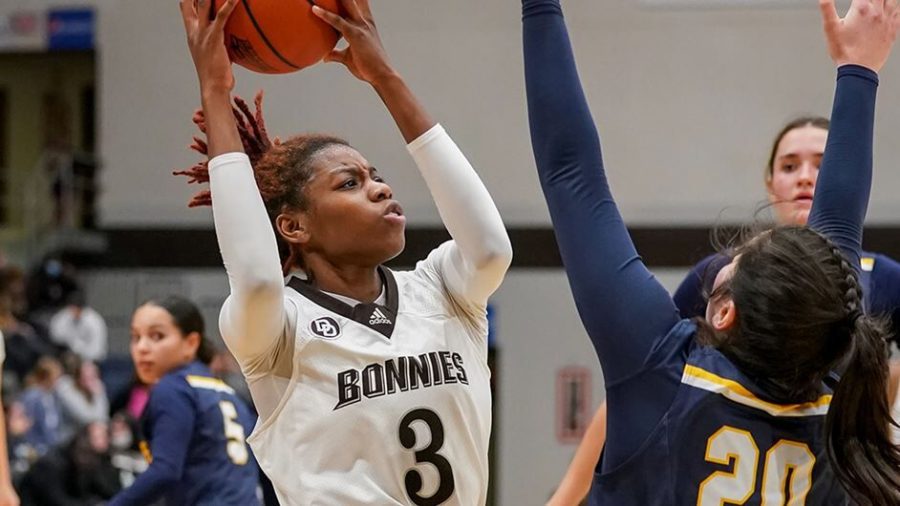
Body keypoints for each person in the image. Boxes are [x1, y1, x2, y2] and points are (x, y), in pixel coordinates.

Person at [523, 0, 900, 503]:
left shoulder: (664, 376)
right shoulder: (834, 380)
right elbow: (571, 175)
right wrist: (859, 70)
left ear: (722, 311)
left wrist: (861, 69)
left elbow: (572, 170)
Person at [177, 0, 511, 503]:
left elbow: (490, 249)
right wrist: (215, 92)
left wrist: (385, 77)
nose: (380, 189)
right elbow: (259, 278)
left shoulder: (441, 290)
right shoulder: (278, 329)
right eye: (349, 183)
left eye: (377, 177)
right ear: (293, 226)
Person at [673, 116, 900, 336]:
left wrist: (885, 374)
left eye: (823, 166)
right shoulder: (717, 272)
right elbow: (663, 354)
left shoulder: (881, 276)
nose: (805, 178)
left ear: (850, 181)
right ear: (770, 184)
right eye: (789, 167)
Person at [107, 296, 259, 505]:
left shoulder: (174, 388)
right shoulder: (229, 394)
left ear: (191, 343)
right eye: (135, 337)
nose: (142, 347)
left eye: (157, 336)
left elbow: (165, 471)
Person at [18, 421, 121, 506]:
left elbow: (104, 489)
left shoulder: (92, 462)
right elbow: (57, 501)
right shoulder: (52, 464)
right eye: (99, 437)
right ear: (84, 440)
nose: (106, 441)